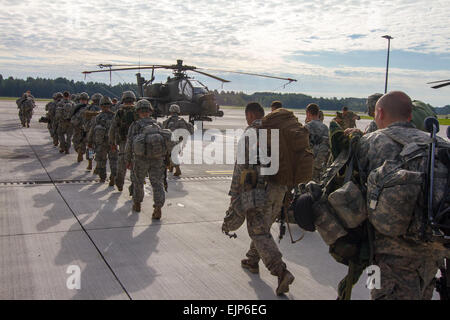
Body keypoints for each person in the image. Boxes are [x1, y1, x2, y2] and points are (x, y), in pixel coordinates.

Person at [354, 91, 449, 299]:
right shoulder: (440, 144)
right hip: (434, 251)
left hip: (385, 254)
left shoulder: (370, 142)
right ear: (410, 115)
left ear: (379, 112)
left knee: (379, 291)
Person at [227, 102, 295, 296]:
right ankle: (252, 259)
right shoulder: (276, 132)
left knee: (258, 231)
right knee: (262, 226)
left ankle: (281, 272)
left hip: (258, 189)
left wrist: (234, 194)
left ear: (250, 114)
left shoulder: (250, 133)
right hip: (279, 188)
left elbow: (240, 167)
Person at [125, 99, 170, 218]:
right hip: (157, 158)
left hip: (140, 159)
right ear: (150, 111)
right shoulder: (158, 125)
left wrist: (128, 159)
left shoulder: (135, 125)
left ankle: (137, 203)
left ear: (138, 112)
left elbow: (129, 143)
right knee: (157, 183)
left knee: (138, 182)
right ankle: (158, 208)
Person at [109, 91, 137, 192]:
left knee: (121, 164)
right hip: (135, 143)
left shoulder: (119, 112)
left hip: (123, 142)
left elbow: (112, 128)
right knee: (135, 164)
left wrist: (112, 143)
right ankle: (134, 186)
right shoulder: (138, 111)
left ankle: (119, 183)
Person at [87, 96, 118, 184]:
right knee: (114, 161)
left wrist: (89, 142)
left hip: (101, 143)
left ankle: (102, 177)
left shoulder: (98, 117)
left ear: (100, 105)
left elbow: (92, 130)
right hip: (112, 143)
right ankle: (113, 176)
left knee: (101, 161)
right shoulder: (114, 116)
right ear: (110, 105)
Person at [162, 104, 194, 176]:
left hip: (170, 140)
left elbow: (163, 130)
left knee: (171, 155)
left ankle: (177, 170)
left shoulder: (167, 121)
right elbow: (185, 131)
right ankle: (171, 168)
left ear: (170, 111)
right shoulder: (182, 120)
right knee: (174, 154)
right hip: (179, 141)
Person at [304, 103, 330, 182]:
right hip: (321, 162)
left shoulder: (307, 127)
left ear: (308, 113)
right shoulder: (325, 127)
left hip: (309, 162)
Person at [82, 93, 102, 170]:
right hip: (100, 132)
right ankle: (97, 165)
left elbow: (84, 119)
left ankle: (90, 163)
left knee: (90, 148)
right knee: (99, 149)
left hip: (90, 131)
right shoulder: (103, 108)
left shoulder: (88, 108)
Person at [71, 92, 90, 162]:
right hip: (88, 130)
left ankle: (80, 151)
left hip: (78, 128)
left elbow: (71, 117)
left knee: (76, 142)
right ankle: (90, 161)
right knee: (90, 147)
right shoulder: (90, 108)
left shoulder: (76, 107)